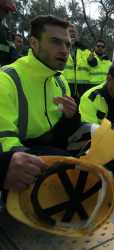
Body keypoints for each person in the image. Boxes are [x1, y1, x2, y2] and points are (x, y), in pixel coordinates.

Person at [0, 15, 83, 192]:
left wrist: (71, 118)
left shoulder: (61, 82)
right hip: (15, 164)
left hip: (47, 152)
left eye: (68, 44)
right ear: (34, 43)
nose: (64, 50)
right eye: (55, 42)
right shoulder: (6, 79)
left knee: (93, 134)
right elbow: (4, 141)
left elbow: (61, 136)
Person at [63, 25, 92, 99]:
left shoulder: (85, 50)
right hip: (65, 86)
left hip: (83, 89)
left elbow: (95, 64)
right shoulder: (60, 48)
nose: (72, 34)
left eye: (74, 32)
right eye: (70, 32)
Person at [0, 0, 16, 66]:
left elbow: (12, 51)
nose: (7, 14)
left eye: (8, 11)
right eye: (5, 10)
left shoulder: (6, 31)